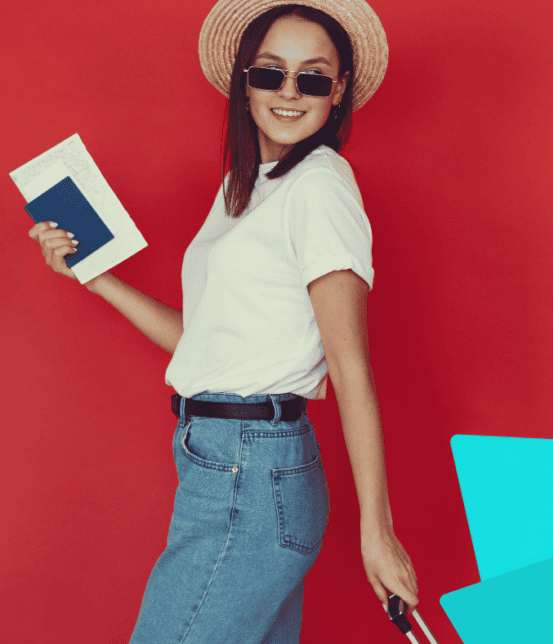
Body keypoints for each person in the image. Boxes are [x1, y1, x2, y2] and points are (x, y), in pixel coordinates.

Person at [27, 1, 419, 641]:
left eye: (313, 78)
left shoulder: (319, 186)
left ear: (338, 91)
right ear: (245, 79)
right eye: (271, 73)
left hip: (250, 472)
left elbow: (352, 368)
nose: (289, 93)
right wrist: (95, 279)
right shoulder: (248, 184)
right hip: (223, 462)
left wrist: (377, 531)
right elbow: (207, 342)